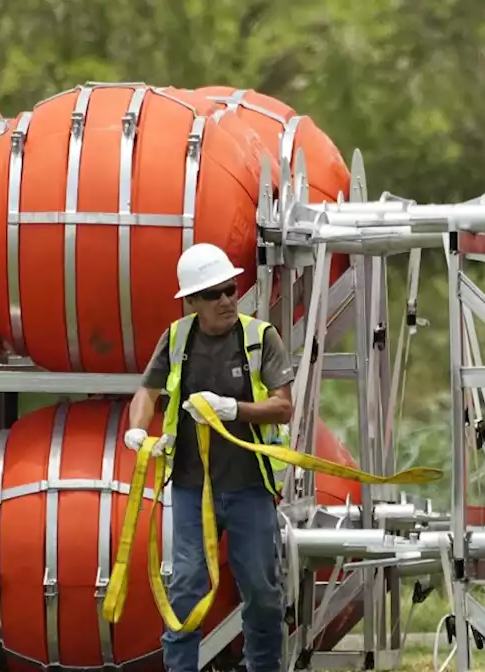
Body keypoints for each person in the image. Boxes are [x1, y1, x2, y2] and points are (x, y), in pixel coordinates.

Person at [124, 243, 296, 672]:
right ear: (193, 302)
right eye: (214, 293)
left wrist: (233, 409)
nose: (226, 300)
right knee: (185, 587)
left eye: (231, 289)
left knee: (260, 589)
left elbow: (283, 406)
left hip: (250, 489)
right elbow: (147, 391)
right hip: (190, 489)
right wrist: (138, 429)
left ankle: (264, 667)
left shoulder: (260, 338)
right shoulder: (177, 338)